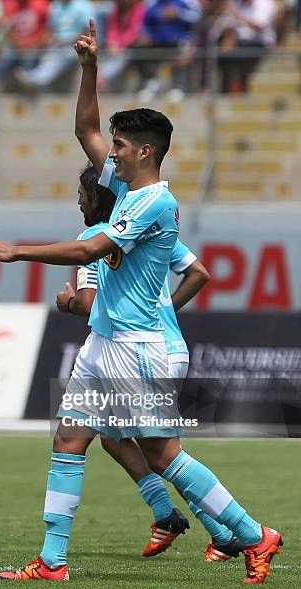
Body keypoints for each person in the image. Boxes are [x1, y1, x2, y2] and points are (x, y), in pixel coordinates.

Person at [0, 19, 282, 584]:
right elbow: (86, 128)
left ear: (145, 151)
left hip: (136, 348)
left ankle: (250, 533)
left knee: (163, 453)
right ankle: (52, 562)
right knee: (70, 437)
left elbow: (92, 246)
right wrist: (89, 67)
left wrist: (19, 251)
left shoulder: (152, 205)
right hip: (108, 341)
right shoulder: (125, 186)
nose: (109, 153)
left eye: (119, 147)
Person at [57, 165, 244, 563]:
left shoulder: (96, 238)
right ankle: (180, 519)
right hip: (164, 343)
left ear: (99, 194)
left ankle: (236, 530)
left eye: (82, 191)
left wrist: (67, 303)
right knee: (114, 435)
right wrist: (166, 312)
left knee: (159, 450)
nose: (78, 198)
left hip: (135, 348)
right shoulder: (153, 227)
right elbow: (199, 272)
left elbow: (89, 304)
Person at [15, 0, 92, 89]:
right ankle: (32, 78)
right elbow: (50, 30)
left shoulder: (84, 6)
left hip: (75, 47)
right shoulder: (55, 6)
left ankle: (37, 80)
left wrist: (65, 42)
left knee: (58, 56)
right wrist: (39, 44)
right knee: (32, 52)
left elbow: (85, 33)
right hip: (56, 44)